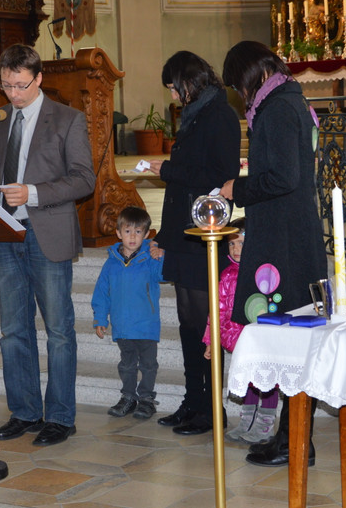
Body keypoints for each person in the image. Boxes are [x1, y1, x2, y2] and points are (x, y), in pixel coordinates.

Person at [0, 43, 95, 447]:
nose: (13, 94)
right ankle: (25, 411)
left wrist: (34, 193)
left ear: (39, 78)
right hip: (6, 234)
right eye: (7, 86)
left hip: (47, 233)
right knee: (13, 330)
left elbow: (84, 179)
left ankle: (60, 417)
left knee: (58, 330)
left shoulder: (67, 119)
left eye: (21, 85)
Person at [220, 40, 328, 467]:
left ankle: (296, 441)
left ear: (254, 74)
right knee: (289, 343)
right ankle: (291, 436)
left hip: (284, 246)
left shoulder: (279, 107)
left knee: (291, 343)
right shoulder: (287, 99)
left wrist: (239, 189)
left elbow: (283, 177)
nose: (241, 94)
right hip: (289, 238)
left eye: (239, 85)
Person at [148, 50, 241, 435]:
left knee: (205, 325)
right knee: (188, 323)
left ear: (190, 80)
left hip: (204, 232)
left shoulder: (220, 115)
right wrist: (164, 235)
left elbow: (221, 175)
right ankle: (192, 401)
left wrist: (168, 169)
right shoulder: (195, 112)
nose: (173, 95)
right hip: (183, 232)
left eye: (174, 87)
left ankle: (211, 409)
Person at [200, 219, 279, 444]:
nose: (236, 249)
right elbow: (217, 309)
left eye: (242, 243)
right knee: (247, 378)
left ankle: (265, 423)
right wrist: (211, 340)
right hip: (237, 339)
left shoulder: (264, 275)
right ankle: (247, 420)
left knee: (265, 379)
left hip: (260, 338)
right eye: (232, 244)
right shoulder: (227, 275)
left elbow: (274, 304)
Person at [91, 206, 164, 421]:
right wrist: (100, 318)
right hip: (122, 325)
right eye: (128, 231)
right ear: (118, 233)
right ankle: (128, 397)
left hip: (146, 324)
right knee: (127, 365)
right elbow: (102, 292)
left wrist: (160, 255)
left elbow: (163, 275)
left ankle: (146, 399)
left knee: (148, 365)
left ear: (146, 234)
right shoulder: (111, 263)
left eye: (138, 231)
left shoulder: (150, 259)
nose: (133, 237)